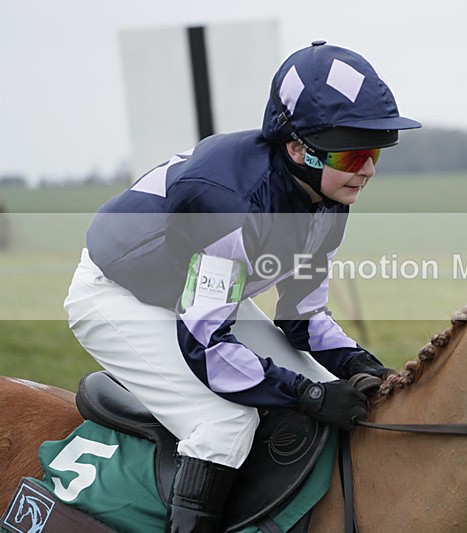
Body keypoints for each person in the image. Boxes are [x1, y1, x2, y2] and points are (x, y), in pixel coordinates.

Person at [64, 40, 420, 532]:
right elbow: (207, 348)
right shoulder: (232, 205)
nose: (368, 170)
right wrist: (307, 397)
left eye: (376, 152)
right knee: (224, 426)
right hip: (116, 294)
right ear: (298, 148)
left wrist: (362, 366)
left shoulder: (328, 201)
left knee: (321, 384)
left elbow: (303, 318)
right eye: (352, 154)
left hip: (189, 293)